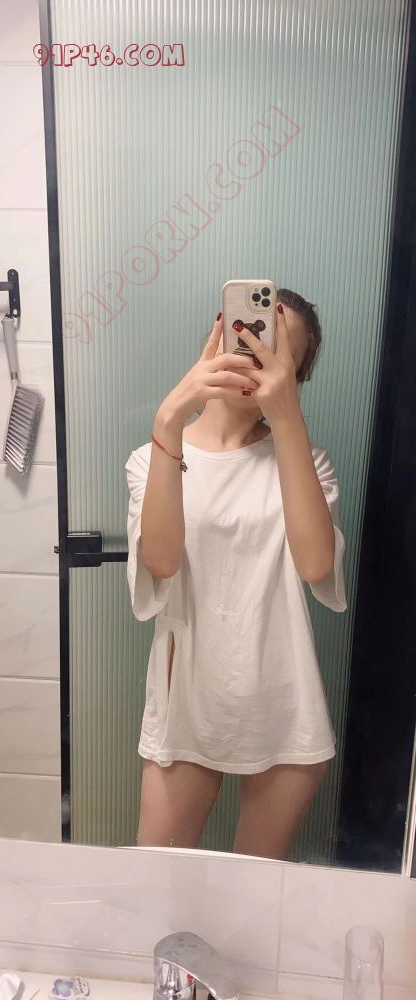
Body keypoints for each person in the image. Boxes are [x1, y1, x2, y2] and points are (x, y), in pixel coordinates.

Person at [124, 288, 347, 860]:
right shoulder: (153, 457)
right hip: (186, 704)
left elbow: (316, 564)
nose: (256, 360)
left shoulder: (307, 463)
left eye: (279, 355)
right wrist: (170, 417)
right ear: (221, 334)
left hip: (283, 703)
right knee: (158, 884)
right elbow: (161, 561)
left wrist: (286, 416)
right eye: (249, 339)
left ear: (296, 376)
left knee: (252, 898)